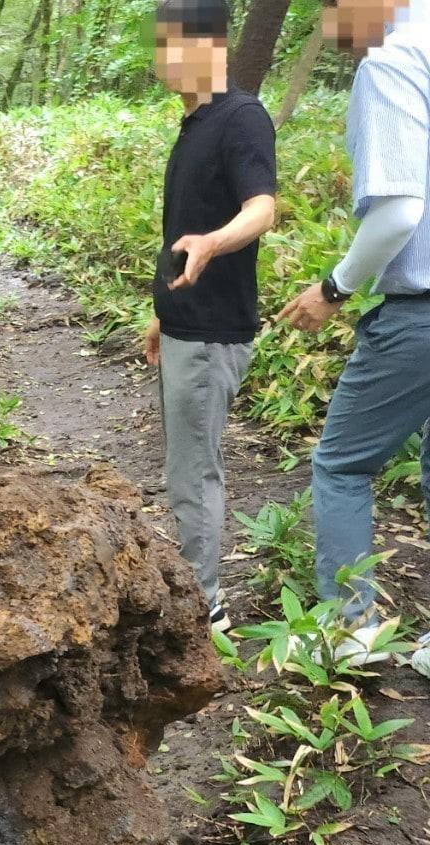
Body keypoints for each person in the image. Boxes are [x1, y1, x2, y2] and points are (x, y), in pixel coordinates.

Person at [279, 0, 430, 638]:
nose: (331, 25)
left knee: (342, 465)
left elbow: (399, 211)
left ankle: (349, 634)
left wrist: (335, 288)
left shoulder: (394, 59)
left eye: (333, 8)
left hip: (420, 315)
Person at [146, 0, 278, 634]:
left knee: (194, 470)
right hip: (182, 325)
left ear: (206, 48)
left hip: (211, 333)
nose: (158, 61)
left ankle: (203, 607)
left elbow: (262, 208)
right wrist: (162, 310)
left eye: (167, 45)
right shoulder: (194, 123)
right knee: (182, 464)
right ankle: (194, 588)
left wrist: (214, 242)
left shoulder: (241, 118)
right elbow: (182, 227)